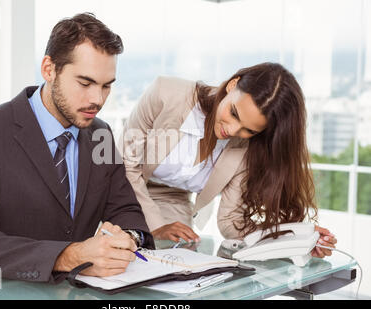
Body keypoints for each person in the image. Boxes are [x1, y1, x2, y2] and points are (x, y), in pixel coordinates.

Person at [0, 13, 154, 284]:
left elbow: (127, 212)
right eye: (85, 83)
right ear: (49, 69)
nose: (97, 99)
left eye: (106, 86)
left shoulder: (101, 134)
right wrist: (67, 256)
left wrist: (128, 239)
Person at [120, 62, 336, 258]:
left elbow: (231, 221)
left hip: (174, 203)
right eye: (233, 113)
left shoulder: (246, 150)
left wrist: (296, 239)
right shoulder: (165, 93)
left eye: (248, 130)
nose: (231, 130)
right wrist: (155, 225)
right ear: (233, 84)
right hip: (122, 190)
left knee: (174, 268)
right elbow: (126, 166)